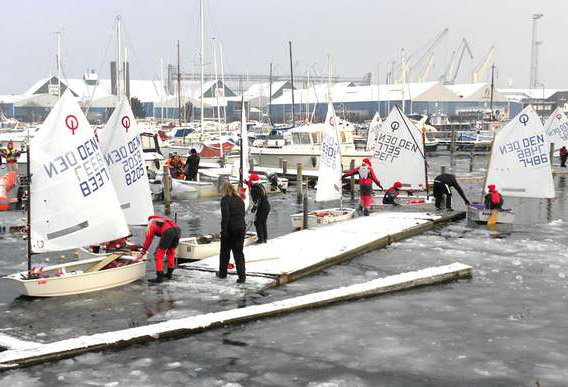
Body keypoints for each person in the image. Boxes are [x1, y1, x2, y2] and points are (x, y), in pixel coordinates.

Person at [217, 181, 247, 283]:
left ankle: (222, 273)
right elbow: (242, 214)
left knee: (225, 252)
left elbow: (225, 217)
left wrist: (223, 231)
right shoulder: (239, 199)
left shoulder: (225, 200)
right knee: (238, 253)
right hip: (241, 228)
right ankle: (242, 276)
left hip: (231, 229)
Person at [141, 215, 181, 283]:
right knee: (171, 252)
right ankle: (169, 274)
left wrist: (143, 252)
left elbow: (148, 240)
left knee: (158, 255)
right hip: (177, 230)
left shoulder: (152, 224)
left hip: (168, 232)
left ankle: (159, 278)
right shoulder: (164, 219)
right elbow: (163, 235)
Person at [249, 173, 270, 243]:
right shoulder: (260, 186)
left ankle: (260, 239)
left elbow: (257, 200)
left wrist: (254, 208)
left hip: (262, 207)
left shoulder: (254, 189)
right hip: (267, 206)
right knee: (263, 222)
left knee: (257, 222)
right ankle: (265, 237)